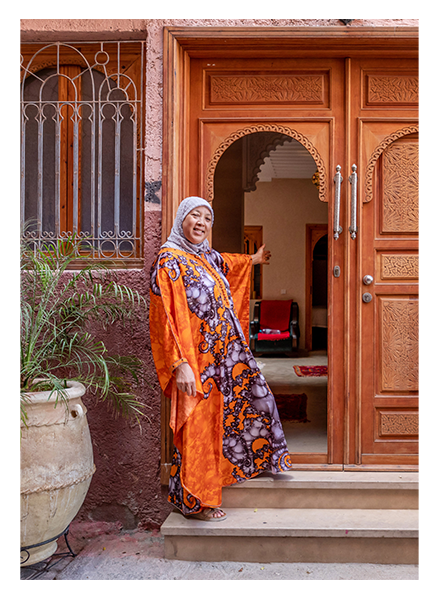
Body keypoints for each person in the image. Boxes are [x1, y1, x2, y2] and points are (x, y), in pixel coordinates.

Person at [149, 197, 292, 521]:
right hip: (197, 363)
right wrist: (179, 363)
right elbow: (164, 317)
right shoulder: (170, 261)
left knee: (257, 402)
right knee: (199, 429)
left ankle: (247, 465)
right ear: (181, 220)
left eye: (206, 218)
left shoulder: (207, 258)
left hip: (227, 360)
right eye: (194, 216)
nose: (201, 222)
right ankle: (195, 501)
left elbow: (229, 263)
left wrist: (253, 259)